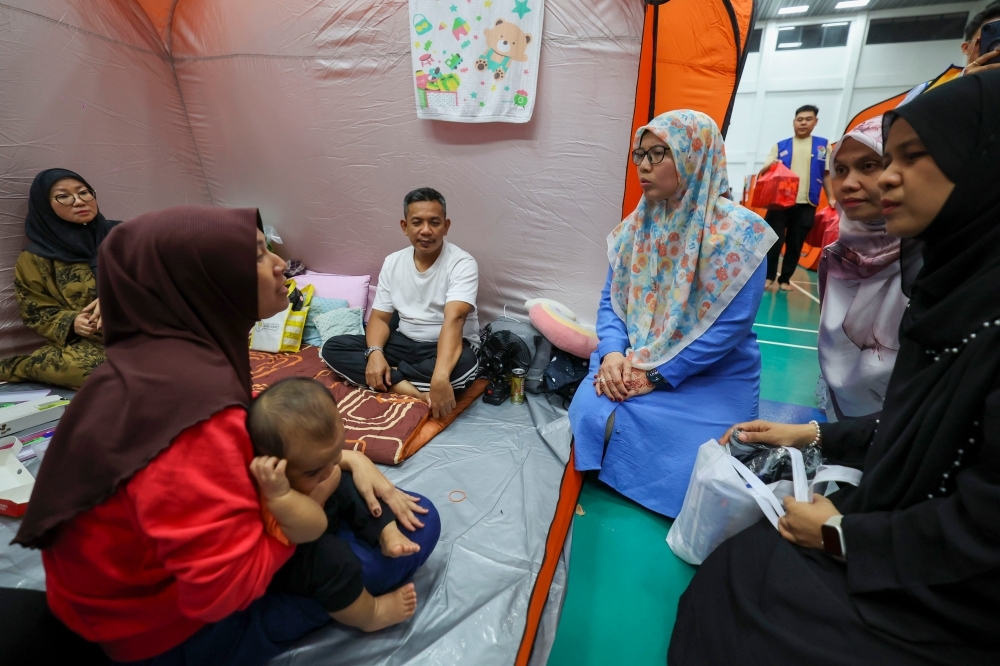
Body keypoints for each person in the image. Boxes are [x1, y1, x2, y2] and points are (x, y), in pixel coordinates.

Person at [669, 71, 1000, 665]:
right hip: (895, 502)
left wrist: (847, 535)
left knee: (746, 597)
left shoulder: (745, 237)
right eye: (850, 168)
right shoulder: (947, 283)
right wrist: (814, 433)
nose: (882, 179)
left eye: (911, 157)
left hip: (954, 584)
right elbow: (915, 423)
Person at [13, 206, 435, 666]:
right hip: (163, 631)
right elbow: (219, 592)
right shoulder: (196, 419)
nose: (280, 263)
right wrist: (317, 496)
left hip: (108, 600)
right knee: (417, 521)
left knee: (360, 498)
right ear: (202, 283)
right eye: (256, 255)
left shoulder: (159, 362)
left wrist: (351, 459)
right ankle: (295, 623)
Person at [568, 110, 777, 518]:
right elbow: (612, 302)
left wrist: (659, 376)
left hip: (709, 376)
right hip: (633, 363)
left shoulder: (743, 234)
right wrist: (612, 354)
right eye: (639, 155)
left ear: (694, 156)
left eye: (658, 154)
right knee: (593, 417)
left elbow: (730, 329)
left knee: (702, 476)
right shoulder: (634, 229)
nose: (644, 167)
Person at [247, 377, 439, 632]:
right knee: (334, 561)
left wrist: (345, 464)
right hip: (301, 545)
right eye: (313, 471)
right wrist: (282, 497)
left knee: (352, 484)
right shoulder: (272, 491)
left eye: (335, 452)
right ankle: (370, 614)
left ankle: (386, 533)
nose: (328, 470)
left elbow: (332, 471)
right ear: (276, 467)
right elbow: (313, 529)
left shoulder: (314, 463)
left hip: (321, 509)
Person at [322, 187, 480, 419]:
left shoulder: (462, 263)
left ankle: (388, 376)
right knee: (332, 348)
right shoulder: (393, 262)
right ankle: (412, 390)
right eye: (417, 222)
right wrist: (375, 354)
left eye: (434, 223)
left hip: (447, 345)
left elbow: (455, 319)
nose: (426, 231)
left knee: (465, 365)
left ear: (446, 226)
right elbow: (380, 318)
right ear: (405, 226)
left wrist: (440, 376)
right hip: (405, 343)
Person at [817, 116, 908, 421]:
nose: (849, 183)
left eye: (869, 165)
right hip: (844, 425)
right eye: (840, 170)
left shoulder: (933, 257)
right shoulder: (838, 256)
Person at [0, 169, 119, 389]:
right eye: (63, 196)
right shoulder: (36, 258)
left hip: (144, 331)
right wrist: (73, 321)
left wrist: (116, 297)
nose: (78, 201)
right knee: (95, 373)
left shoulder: (125, 235)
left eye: (84, 192)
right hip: (92, 343)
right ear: (45, 206)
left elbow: (163, 281)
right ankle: (22, 366)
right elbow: (35, 311)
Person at [758, 105, 835, 293]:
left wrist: (832, 198)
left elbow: (827, 175)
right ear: (794, 122)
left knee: (795, 243)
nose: (803, 122)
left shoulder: (823, 146)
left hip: (806, 203)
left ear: (815, 122)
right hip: (779, 203)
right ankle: (768, 276)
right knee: (773, 241)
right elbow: (763, 172)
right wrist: (770, 165)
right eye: (800, 119)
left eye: (808, 119)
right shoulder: (780, 146)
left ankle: (785, 279)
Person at [899, 1, 1000, 105]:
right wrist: (964, 84)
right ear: (966, 48)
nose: (997, 51)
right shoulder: (927, 90)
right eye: (990, 41)